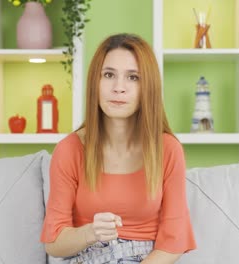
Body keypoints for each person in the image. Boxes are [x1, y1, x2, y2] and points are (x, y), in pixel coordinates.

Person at [40, 33, 196, 263]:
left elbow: (174, 241)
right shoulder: (69, 150)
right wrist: (90, 232)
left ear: (148, 87)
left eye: (133, 77)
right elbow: (53, 243)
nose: (119, 88)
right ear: (95, 82)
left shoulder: (167, 150)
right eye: (109, 75)